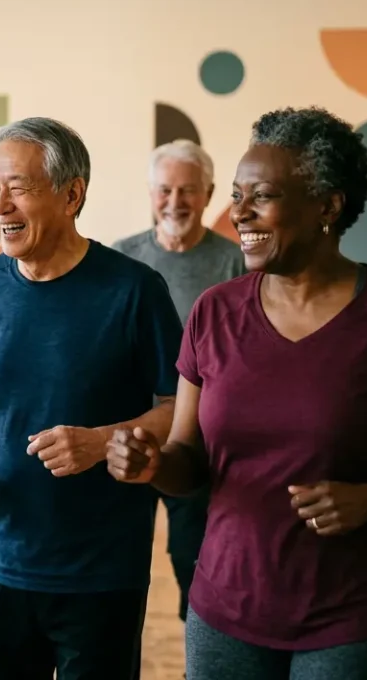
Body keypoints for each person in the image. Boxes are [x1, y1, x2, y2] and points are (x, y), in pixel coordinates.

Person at [108, 106, 367, 680]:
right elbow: (190, 461)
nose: (239, 213)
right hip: (223, 610)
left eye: (262, 196)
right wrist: (151, 464)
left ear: (328, 207)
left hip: (349, 617)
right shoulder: (215, 311)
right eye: (236, 195)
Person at [0, 117, 183, 680]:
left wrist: (102, 441)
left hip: (102, 570)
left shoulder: (135, 291)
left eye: (17, 187)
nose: (0, 205)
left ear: (72, 195)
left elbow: (180, 409)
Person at [111, 139, 245, 622]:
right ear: (150, 193)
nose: (175, 201)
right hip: (129, 434)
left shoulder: (237, 264)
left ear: (208, 193)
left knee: (194, 564)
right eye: (165, 190)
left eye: (187, 190)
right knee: (120, 567)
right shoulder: (119, 260)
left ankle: (201, 655)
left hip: (197, 444)